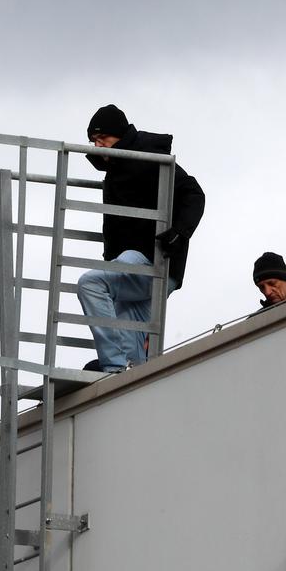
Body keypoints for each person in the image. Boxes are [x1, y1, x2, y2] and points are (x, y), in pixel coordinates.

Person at [76, 104, 205, 373]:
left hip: (148, 258)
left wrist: (180, 232)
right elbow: (116, 226)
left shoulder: (147, 158)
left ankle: (113, 367)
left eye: (103, 139)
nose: (99, 146)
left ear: (119, 136)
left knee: (91, 283)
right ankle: (130, 376)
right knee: (129, 335)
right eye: (94, 142)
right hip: (148, 266)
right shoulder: (115, 170)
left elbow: (193, 192)